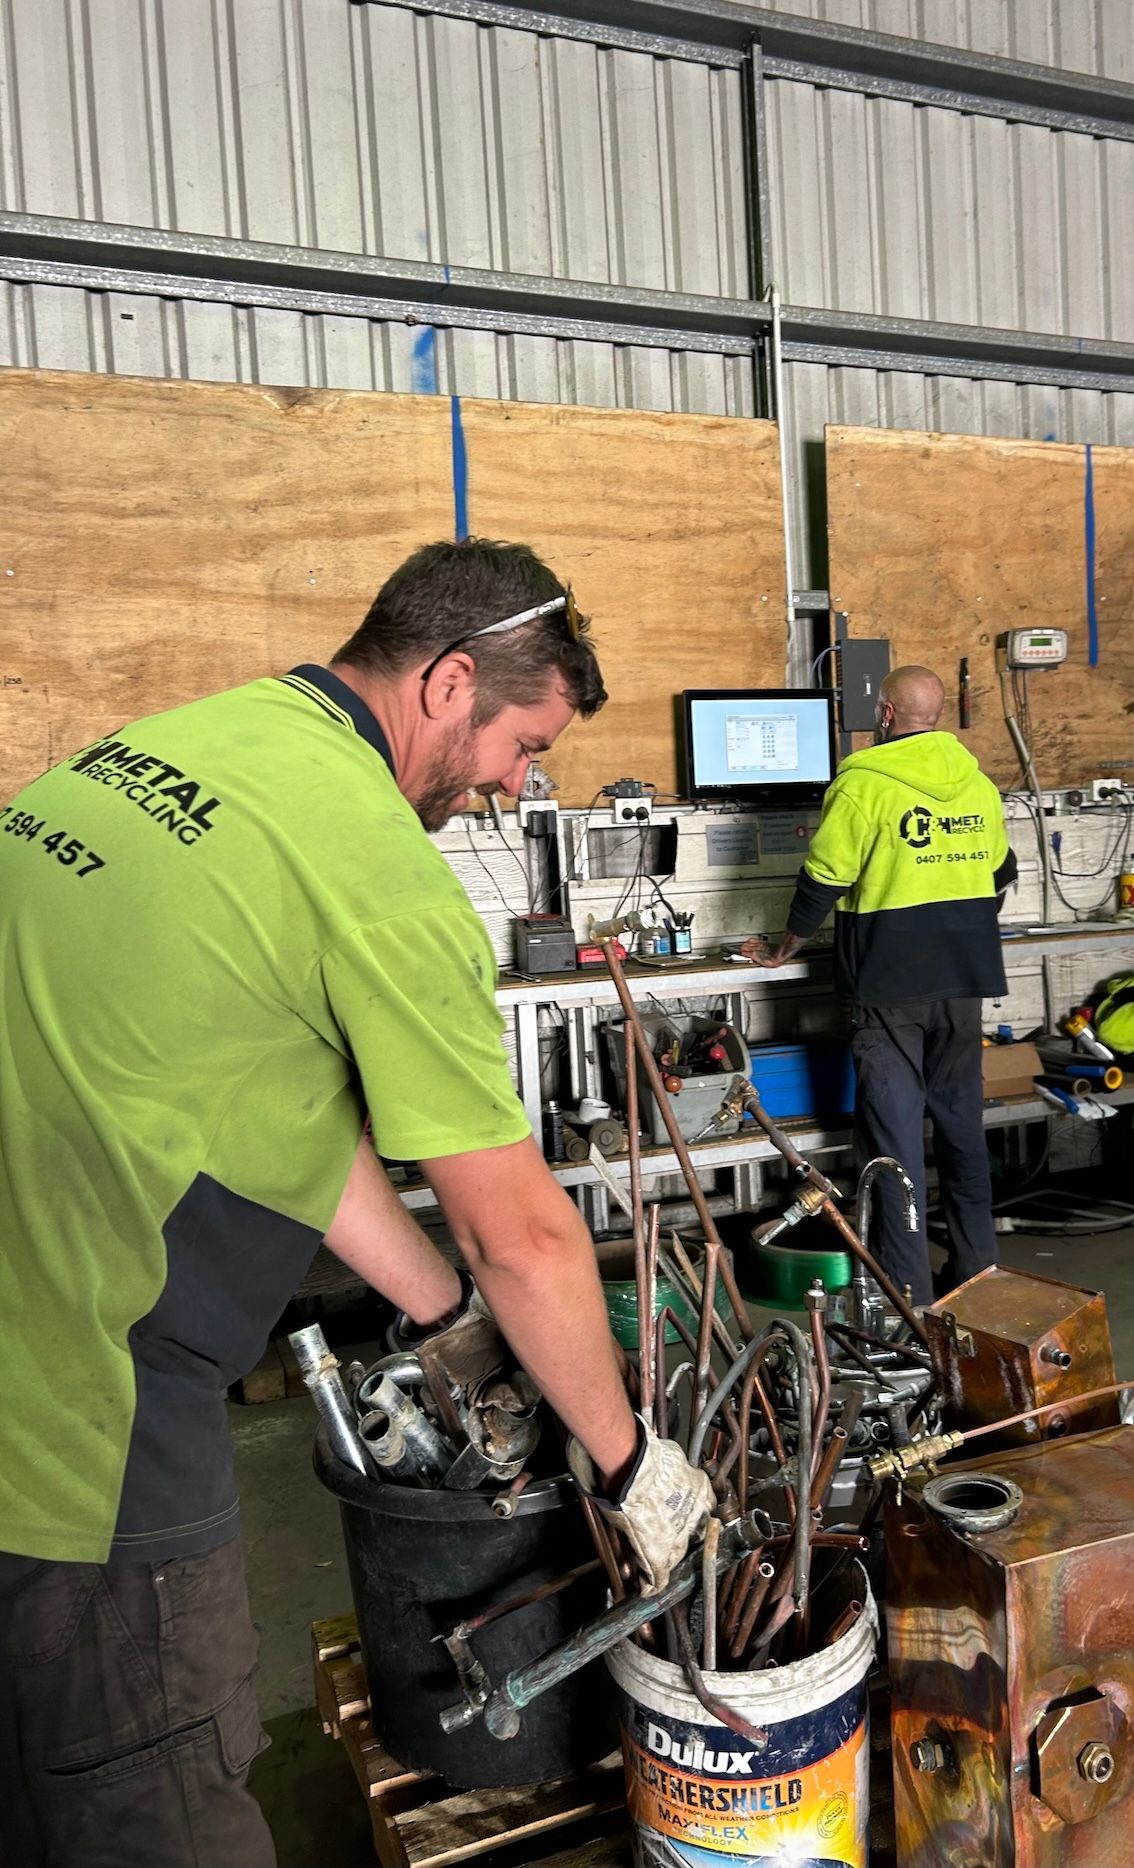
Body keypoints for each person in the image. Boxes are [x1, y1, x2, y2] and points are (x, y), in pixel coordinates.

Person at [0, 538, 711, 1868]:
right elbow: (526, 1235)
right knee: (149, 1787)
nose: (511, 791)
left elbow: (268, 1117)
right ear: (448, 682)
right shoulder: (378, 874)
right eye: (519, 748)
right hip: (68, 1407)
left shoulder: (197, 743)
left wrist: (438, 1309)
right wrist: (630, 1467)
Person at [742, 664, 1017, 1306]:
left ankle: (907, 1293)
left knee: (892, 1139)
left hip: (890, 981)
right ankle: (979, 1276)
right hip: (963, 979)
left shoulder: (863, 783)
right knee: (960, 1123)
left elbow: (826, 874)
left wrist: (785, 945)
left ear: (885, 716)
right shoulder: (976, 782)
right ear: (938, 714)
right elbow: (1000, 871)